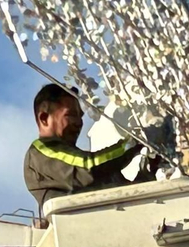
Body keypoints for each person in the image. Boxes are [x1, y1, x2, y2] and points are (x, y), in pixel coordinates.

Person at [23, 83, 156, 212]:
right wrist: (135, 142)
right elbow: (88, 167)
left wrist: (149, 170)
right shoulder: (40, 152)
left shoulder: (96, 165)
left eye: (80, 116)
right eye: (70, 115)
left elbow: (127, 192)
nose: (78, 122)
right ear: (44, 118)